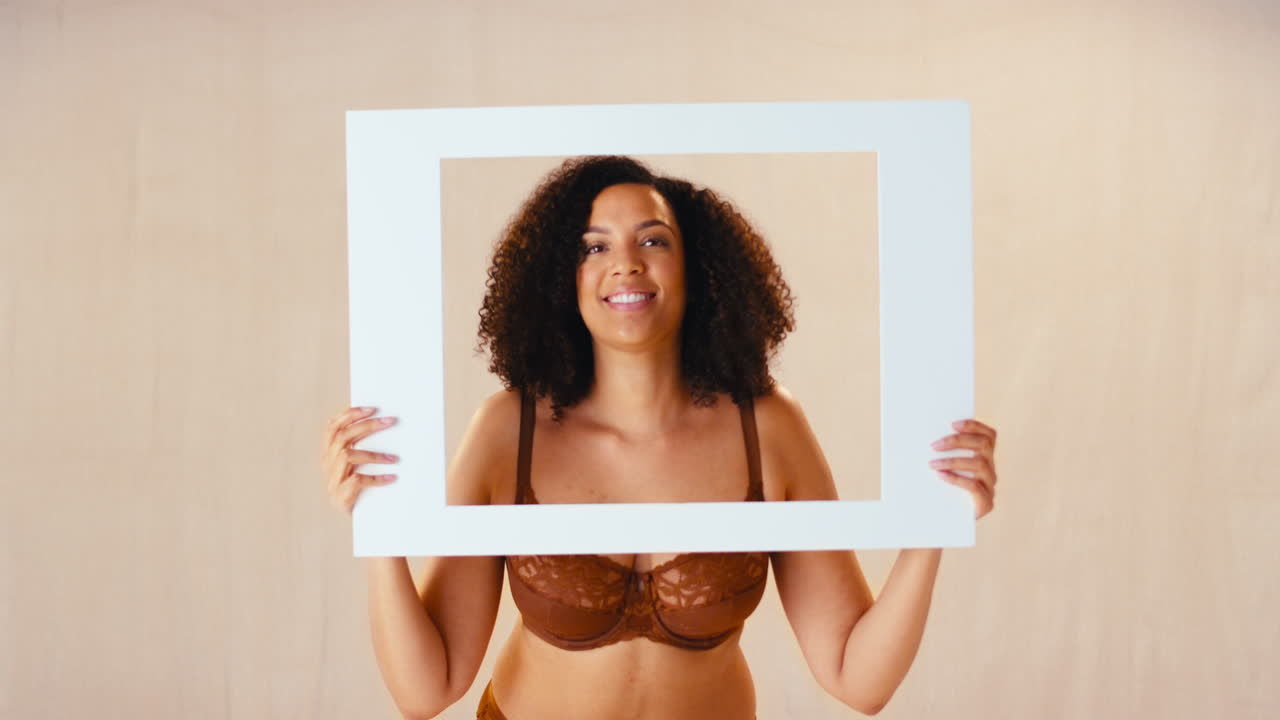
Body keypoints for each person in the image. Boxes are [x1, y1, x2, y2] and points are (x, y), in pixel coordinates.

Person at [321, 156, 998, 720]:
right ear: (566, 278)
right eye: (595, 247)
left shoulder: (766, 428)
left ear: (694, 269)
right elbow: (426, 689)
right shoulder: (510, 430)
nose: (626, 264)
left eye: (653, 239)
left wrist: (932, 523)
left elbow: (858, 678)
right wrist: (376, 531)